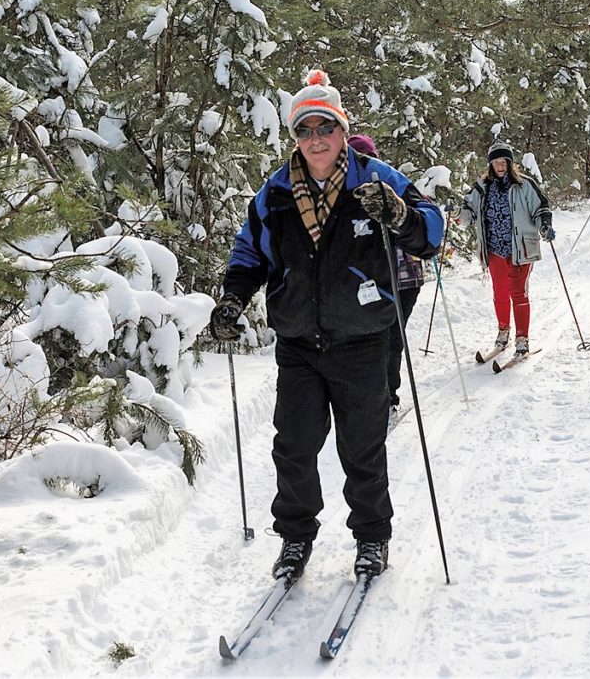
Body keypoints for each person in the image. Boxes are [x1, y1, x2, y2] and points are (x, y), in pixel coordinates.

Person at [207, 71, 443, 584]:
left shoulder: (374, 179)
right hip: (298, 342)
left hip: (362, 338)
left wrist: (400, 214)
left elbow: (431, 229)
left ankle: (372, 537)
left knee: (361, 445)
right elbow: (250, 252)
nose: (315, 139)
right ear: (294, 136)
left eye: (325, 127)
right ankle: (295, 539)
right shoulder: (274, 194)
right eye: (304, 129)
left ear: (341, 130)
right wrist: (232, 298)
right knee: (293, 444)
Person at [346, 133, 426, 412]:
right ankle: (372, 391)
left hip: (405, 278)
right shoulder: (349, 197)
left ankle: (388, 393)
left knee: (392, 337)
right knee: (373, 338)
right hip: (372, 282)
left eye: (365, 159)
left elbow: (422, 217)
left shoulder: (392, 186)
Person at [453, 138, 553, 356]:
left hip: (521, 248)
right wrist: (455, 213)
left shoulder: (524, 185)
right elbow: (468, 214)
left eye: (504, 161)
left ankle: (522, 338)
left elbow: (541, 208)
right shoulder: (482, 187)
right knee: (500, 293)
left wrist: (545, 226)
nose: (500, 165)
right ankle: (503, 331)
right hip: (495, 249)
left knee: (518, 293)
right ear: (490, 164)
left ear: (510, 163)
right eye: (496, 161)